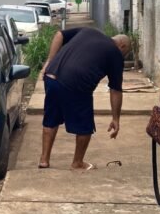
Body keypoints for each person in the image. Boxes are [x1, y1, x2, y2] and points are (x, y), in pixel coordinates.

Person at [38, 27, 130, 170]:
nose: (122, 57)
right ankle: (77, 163)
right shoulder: (115, 53)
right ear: (122, 45)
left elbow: (59, 34)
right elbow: (115, 90)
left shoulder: (89, 31)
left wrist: (50, 61)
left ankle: (44, 160)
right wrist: (115, 118)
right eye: (125, 53)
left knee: (51, 119)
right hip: (76, 84)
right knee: (85, 127)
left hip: (51, 77)